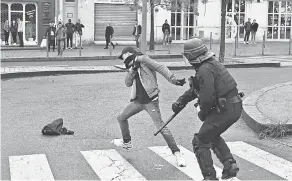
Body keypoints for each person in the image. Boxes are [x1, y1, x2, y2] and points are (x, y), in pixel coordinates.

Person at [172, 37, 243, 180]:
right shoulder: (210, 65)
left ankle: (209, 177)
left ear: (192, 56)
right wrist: (181, 101)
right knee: (211, 134)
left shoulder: (204, 69)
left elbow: (206, 97)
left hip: (225, 109)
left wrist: (203, 114)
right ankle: (229, 164)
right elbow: (196, 89)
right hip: (233, 107)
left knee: (200, 141)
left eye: (187, 55)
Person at [111, 46, 187, 167]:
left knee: (161, 127)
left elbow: (160, 68)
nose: (123, 59)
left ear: (129, 53)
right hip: (138, 102)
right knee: (121, 117)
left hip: (151, 101)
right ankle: (127, 142)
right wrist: (133, 70)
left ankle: (177, 153)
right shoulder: (132, 65)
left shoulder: (143, 59)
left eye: (123, 56)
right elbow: (127, 83)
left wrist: (174, 80)